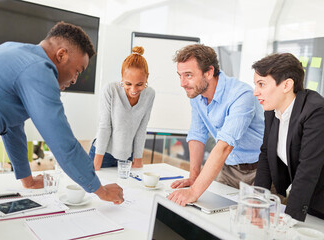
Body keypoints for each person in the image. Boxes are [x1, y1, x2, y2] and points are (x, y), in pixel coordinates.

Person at [0, 22, 124, 238]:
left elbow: (13, 127)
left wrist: (26, 179)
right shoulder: (38, 69)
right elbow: (62, 141)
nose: (75, 79)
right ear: (61, 55)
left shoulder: (15, 51)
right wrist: (99, 189)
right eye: (78, 70)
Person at [168, 44, 264, 206]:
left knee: (256, 223)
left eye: (189, 75)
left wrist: (193, 191)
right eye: (180, 76)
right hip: (229, 170)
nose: (182, 83)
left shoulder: (241, 95)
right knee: (213, 214)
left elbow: (225, 146)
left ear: (209, 72)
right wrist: (194, 176)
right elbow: (197, 135)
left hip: (260, 171)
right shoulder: (198, 96)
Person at [252, 53, 324, 221]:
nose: (256, 92)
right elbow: (265, 155)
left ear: (287, 85)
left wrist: (288, 219)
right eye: (255, 85)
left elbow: (308, 168)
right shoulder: (272, 111)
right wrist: (256, 204)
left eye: (261, 84)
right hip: (310, 199)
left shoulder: (316, 110)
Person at [89, 46, 155, 170]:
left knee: (126, 189)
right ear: (122, 78)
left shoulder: (150, 94)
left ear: (147, 78)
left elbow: (141, 129)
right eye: (128, 84)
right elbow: (104, 126)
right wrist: (97, 163)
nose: (133, 90)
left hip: (127, 157)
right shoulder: (110, 90)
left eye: (140, 84)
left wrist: (138, 159)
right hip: (103, 154)